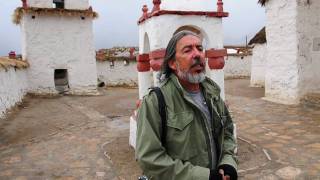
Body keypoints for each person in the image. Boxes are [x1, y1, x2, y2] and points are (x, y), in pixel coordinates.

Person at [136, 31, 238, 180]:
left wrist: (228, 163)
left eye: (200, 48)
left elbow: (227, 133)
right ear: (172, 63)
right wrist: (203, 177)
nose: (197, 54)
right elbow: (149, 159)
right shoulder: (155, 102)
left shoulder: (213, 95)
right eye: (188, 50)